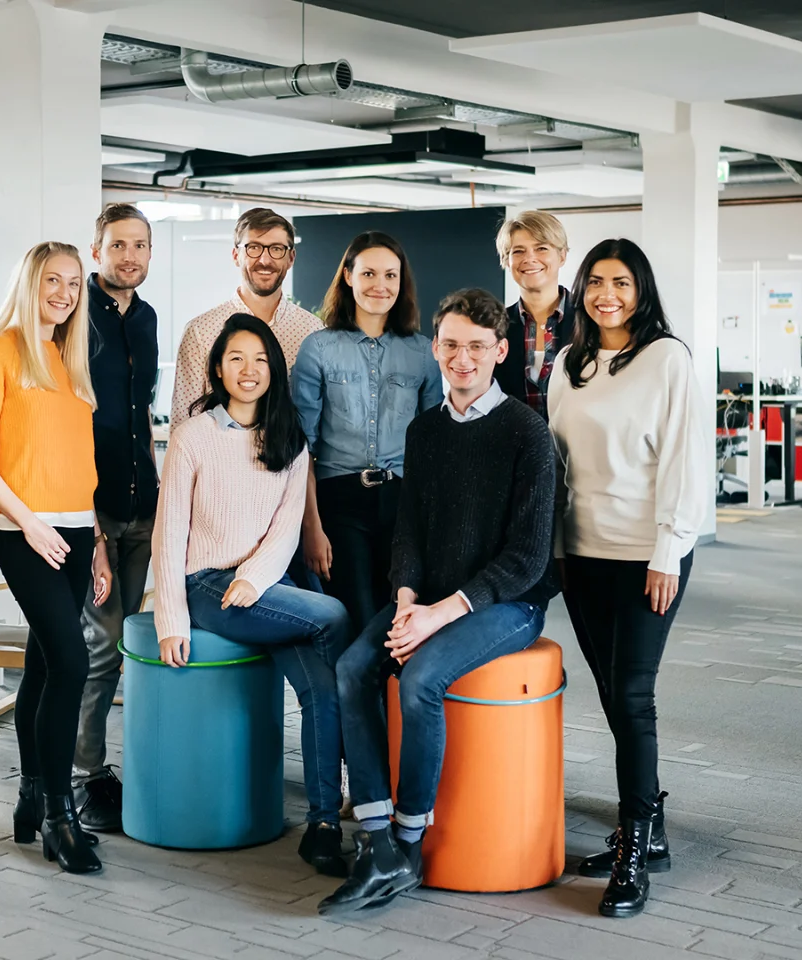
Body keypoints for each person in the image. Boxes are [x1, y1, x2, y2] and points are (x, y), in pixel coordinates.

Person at [319, 288, 559, 916]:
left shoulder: (528, 433)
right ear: (435, 349)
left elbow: (527, 560)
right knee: (352, 666)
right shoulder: (424, 430)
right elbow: (410, 534)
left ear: (499, 351)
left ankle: (407, 843)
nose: (463, 358)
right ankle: (374, 840)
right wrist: (403, 598)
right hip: (428, 597)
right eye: (451, 344)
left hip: (508, 604)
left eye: (478, 346)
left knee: (421, 677)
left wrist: (440, 612)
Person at [152, 313, 353, 877]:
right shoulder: (194, 435)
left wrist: (255, 578)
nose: (249, 370)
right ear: (218, 367)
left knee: (320, 688)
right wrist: (170, 618)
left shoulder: (289, 437)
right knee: (334, 616)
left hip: (260, 585)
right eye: (237, 358)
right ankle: (362, 779)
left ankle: (322, 825)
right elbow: (170, 532)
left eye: (261, 359)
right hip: (205, 585)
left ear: (274, 369)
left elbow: (287, 528)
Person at [546, 238, 710, 919]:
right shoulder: (569, 363)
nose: (605, 293)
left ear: (640, 289)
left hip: (648, 555)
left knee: (635, 696)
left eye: (619, 281)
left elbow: (685, 460)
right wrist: (553, 550)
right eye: (594, 281)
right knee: (613, 693)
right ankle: (650, 825)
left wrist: (669, 550)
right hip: (583, 554)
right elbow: (557, 462)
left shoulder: (667, 358)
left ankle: (634, 849)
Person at [0, 241, 111, 876]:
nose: (65, 292)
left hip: (74, 531)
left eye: (74, 282)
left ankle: (28, 801)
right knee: (70, 661)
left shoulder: (69, 361)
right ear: (29, 282)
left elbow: (80, 467)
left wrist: (95, 543)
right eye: (53, 280)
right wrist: (26, 520)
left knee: (45, 667)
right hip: (25, 533)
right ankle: (57, 814)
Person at [292, 231, 442, 635]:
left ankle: (389, 700)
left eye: (391, 275)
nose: (381, 285)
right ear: (347, 276)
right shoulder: (318, 349)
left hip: (402, 503)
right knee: (355, 619)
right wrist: (311, 527)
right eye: (369, 273)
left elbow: (434, 448)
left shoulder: (424, 353)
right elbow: (300, 448)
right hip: (339, 503)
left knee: (397, 620)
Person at [74, 203, 158, 833]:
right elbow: (74, 424)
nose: (130, 255)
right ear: (96, 249)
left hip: (142, 505)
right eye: (118, 244)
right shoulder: (76, 316)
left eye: (140, 245)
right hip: (94, 509)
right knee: (101, 646)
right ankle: (85, 778)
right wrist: (94, 529)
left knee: (124, 643)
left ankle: (107, 767)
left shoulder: (148, 317)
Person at [169, 207, 321, 427]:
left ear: (291, 258)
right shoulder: (200, 331)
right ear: (235, 256)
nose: (264, 259)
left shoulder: (313, 332)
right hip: (217, 459)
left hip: (289, 459)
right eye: (254, 248)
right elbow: (182, 422)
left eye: (276, 249)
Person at [494, 210, 576, 419]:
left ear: (562, 256)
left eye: (541, 248)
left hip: (580, 447)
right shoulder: (493, 326)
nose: (529, 258)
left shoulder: (590, 320)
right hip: (513, 446)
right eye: (518, 251)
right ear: (507, 261)